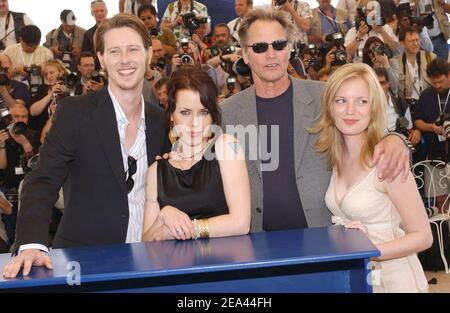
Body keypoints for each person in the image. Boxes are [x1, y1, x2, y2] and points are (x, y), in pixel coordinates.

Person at [3, 14, 170, 279]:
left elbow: (166, 187)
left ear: (149, 55)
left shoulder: (160, 120)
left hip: (148, 259)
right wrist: (32, 243)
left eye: (133, 49)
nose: (125, 59)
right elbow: (42, 180)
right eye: (115, 51)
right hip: (85, 263)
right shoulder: (75, 113)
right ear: (102, 59)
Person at [221, 8, 411, 233]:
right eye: (260, 47)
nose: (271, 54)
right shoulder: (227, 113)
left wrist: (395, 139)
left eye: (279, 45)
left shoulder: (325, 96)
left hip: (323, 237)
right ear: (244, 53)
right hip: (257, 245)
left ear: (290, 49)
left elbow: (369, 128)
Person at [310, 63, 432, 292]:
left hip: (394, 282)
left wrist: (368, 251)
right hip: (360, 279)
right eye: (341, 100)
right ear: (330, 106)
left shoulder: (387, 161)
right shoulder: (335, 159)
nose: (350, 110)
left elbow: (423, 237)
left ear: (374, 108)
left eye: (361, 101)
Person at [142, 66, 250, 241]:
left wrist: (183, 230)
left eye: (203, 112)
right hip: (177, 268)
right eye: (185, 112)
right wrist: (164, 214)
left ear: (213, 115)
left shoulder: (226, 147)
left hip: (224, 264)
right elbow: (147, 241)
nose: (195, 122)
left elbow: (241, 223)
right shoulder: (157, 171)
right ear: (171, 114)